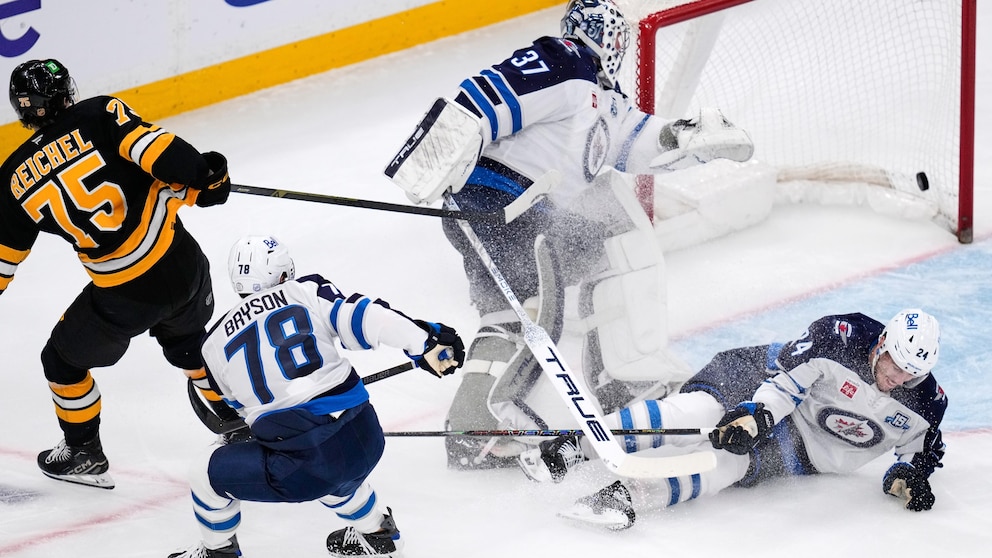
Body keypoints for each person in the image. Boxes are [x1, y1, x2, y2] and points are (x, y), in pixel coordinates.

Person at [384, 0, 754, 470]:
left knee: (591, 267)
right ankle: (480, 429)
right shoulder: (566, 60)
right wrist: (435, 156)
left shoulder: (608, 103)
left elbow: (640, 142)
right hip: (497, 204)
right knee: (537, 308)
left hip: (527, 213)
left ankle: (609, 387)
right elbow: (487, 91)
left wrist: (688, 136)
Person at [0, 59, 233, 489]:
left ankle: (83, 452)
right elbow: (165, 157)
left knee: (61, 362)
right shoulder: (100, 113)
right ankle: (237, 421)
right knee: (190, 344)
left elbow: (2, 261)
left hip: (125, 296)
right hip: (184, 266)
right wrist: (207, 180)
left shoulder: (13, 177)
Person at [166, 236, 466, 558]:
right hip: (365, 436)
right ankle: (377, 534)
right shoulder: (304, 291)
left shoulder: (212, 346)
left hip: (305, 464)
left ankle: (218, 553)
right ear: (284, 273)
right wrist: (424, 340)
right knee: (330, 463)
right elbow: (367, 317)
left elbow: (236, 414)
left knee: (206, 472)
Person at [520, 309, 948, 529]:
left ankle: (623, 496)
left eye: (910, 375)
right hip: (761, 379)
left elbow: (919, 452)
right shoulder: (839, 337)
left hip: (803, 449)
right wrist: (755, 416)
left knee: (726, 464)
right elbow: (785, 386)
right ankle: (575, 445)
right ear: (882, 343)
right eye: (894, 365)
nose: (897, 379)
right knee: (698, 412)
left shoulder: (925, 402)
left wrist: (909, 476)